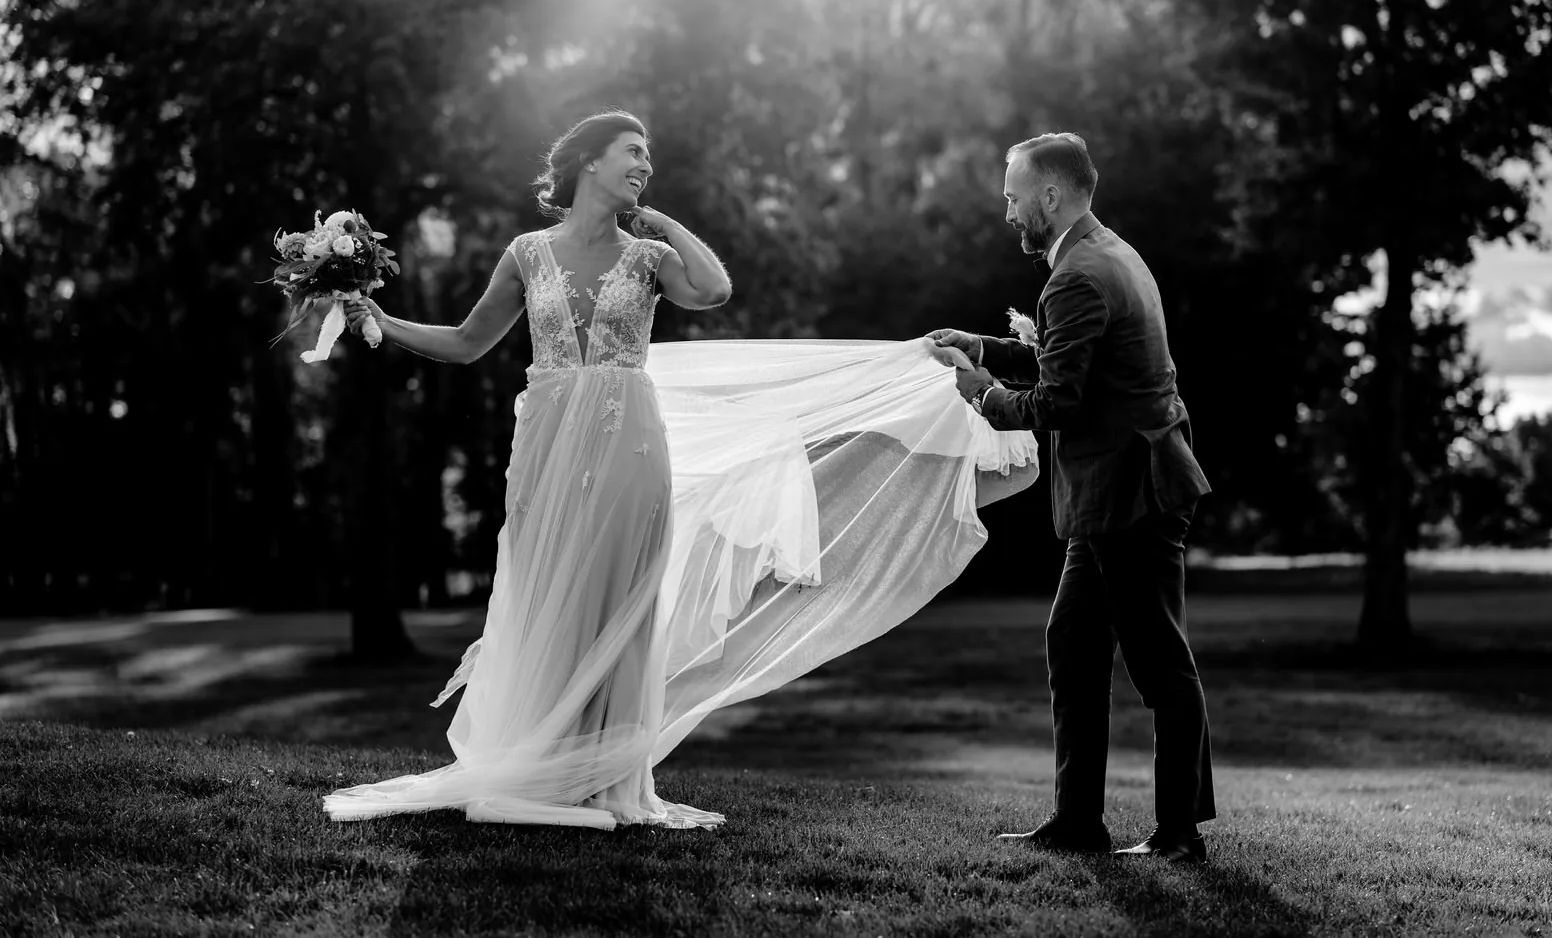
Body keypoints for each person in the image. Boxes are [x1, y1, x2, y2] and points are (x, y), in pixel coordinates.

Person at [322, 110, 1042, 829]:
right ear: (587, 162)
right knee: (545, 591)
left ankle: (605, 777)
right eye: (631, 152)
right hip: (546, 444)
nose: (644, 163)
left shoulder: (647, 258)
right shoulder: (526, 252)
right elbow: (468, 340)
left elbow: (713, 288)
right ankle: (538, 757)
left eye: (648, 155)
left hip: (630, 442)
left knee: (622, 597)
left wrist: (660, 220)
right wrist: (383, 322)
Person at [928, 132, 1215, 864]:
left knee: (1158, 660)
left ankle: (1179, 835)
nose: (1008, 212)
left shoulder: (1077, 274)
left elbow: (1059, 399)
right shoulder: (1105, 252)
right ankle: (1077, 821)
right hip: (1127, 484)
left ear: (1049, 195)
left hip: (1131, 490)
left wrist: (984, 396)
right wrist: (987, 345)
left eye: (1013, 197)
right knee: (1075, 642)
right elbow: (1068, 355)